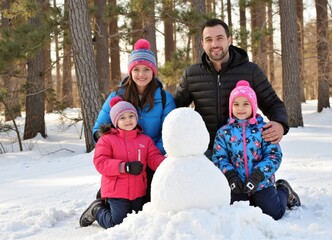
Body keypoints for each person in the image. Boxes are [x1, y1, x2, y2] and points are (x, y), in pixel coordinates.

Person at [174, 18, 289, 159]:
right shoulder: (192, 74)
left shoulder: (250, 71)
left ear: (229, 40)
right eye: (209, 39)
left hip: (241, 151)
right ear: (202, 44)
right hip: (205, 151)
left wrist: (280, 123)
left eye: (219, 38)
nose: (214, 44)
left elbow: (272, 103)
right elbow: (175, 109)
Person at [92, 39, 176, 203]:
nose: (141, 74)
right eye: (136, 69)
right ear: (130, 71)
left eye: (146, 69)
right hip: (125, 162)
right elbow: (98, 131)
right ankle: (104, 200)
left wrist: (148, 153)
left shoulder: (165, 99)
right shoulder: (117, 96)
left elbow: (169, 134)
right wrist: (118, 149)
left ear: (153, 71)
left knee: (149, 204)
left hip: (152, 159)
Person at [212, 80, 300, 220]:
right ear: (231, 107)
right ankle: (251, 199)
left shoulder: (263, 130)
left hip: (261, 182)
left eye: (246, 104)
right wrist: (231, 177)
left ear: (253, 106)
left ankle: (283, 189)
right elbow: (219, 157)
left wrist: (258, 176)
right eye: (236, 104)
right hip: (237, 184)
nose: (241, 108)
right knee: (236, 213)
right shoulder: (224, 132)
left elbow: (274, 155)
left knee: (273, 214)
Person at [79, 97, 166, 229]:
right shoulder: (107, 140)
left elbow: (154, 157)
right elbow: (101, 162)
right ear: (115, 121)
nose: (128, 120)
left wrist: (168, 165)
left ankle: (110, 208)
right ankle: (97, 210)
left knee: (135, 221)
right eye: (122, 118)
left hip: (138, 190)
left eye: (131, 116)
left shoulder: (144, 140)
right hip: (116, 190)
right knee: (117, 223)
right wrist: (124, 167)